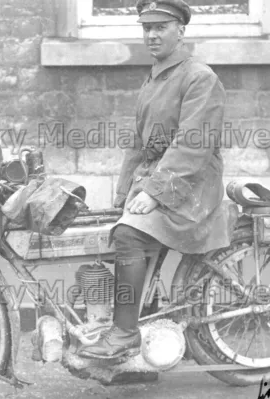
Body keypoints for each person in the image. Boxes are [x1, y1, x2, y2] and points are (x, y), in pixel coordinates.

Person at [78, 0, 229, 360]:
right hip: (162, 181)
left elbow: (193, 146)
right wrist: (123, 191)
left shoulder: (200, 77)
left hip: (191, 187)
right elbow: (138, 142)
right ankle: (127, 317)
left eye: (161, 27)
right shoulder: (155, 77)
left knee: (128, 235)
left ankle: (125, 334)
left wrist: (153, 194)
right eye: (147, 27)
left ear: (181, 30)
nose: (152, 34)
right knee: (106, 227)